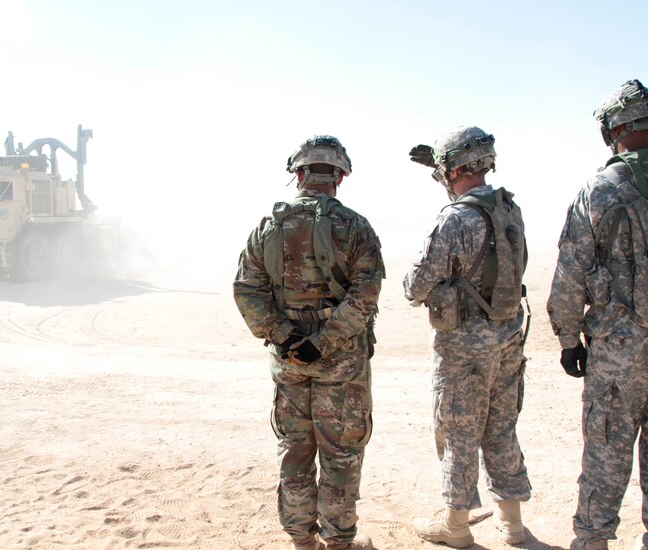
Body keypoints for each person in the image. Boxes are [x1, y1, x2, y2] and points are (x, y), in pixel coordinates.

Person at [233, 135, 384, 550]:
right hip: (341, 363)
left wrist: (286, 337)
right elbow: (365, 295)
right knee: (341, 453)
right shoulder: (355, 227)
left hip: (290, 361)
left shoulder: (268, 226)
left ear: (298, 174)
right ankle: (339, 542)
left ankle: (302, 541)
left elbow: (248, 289)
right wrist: (326, 340)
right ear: (339, 177)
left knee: (295, 451)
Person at [404, 126, 532, 547]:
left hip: (464, 349)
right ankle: (512, 523)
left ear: (452, 169)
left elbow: (416, 285)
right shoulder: (509, 208)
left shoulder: (455, 218)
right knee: (501, 427)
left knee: (459, 432)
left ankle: (456, 527)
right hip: (509, 337)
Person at [547, 78, 648, 550]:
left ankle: (592, 541)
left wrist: (569, 341)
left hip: (619, 353)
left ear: (612, 130)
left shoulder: (599, 191)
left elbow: (570, 274)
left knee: (607, 448)